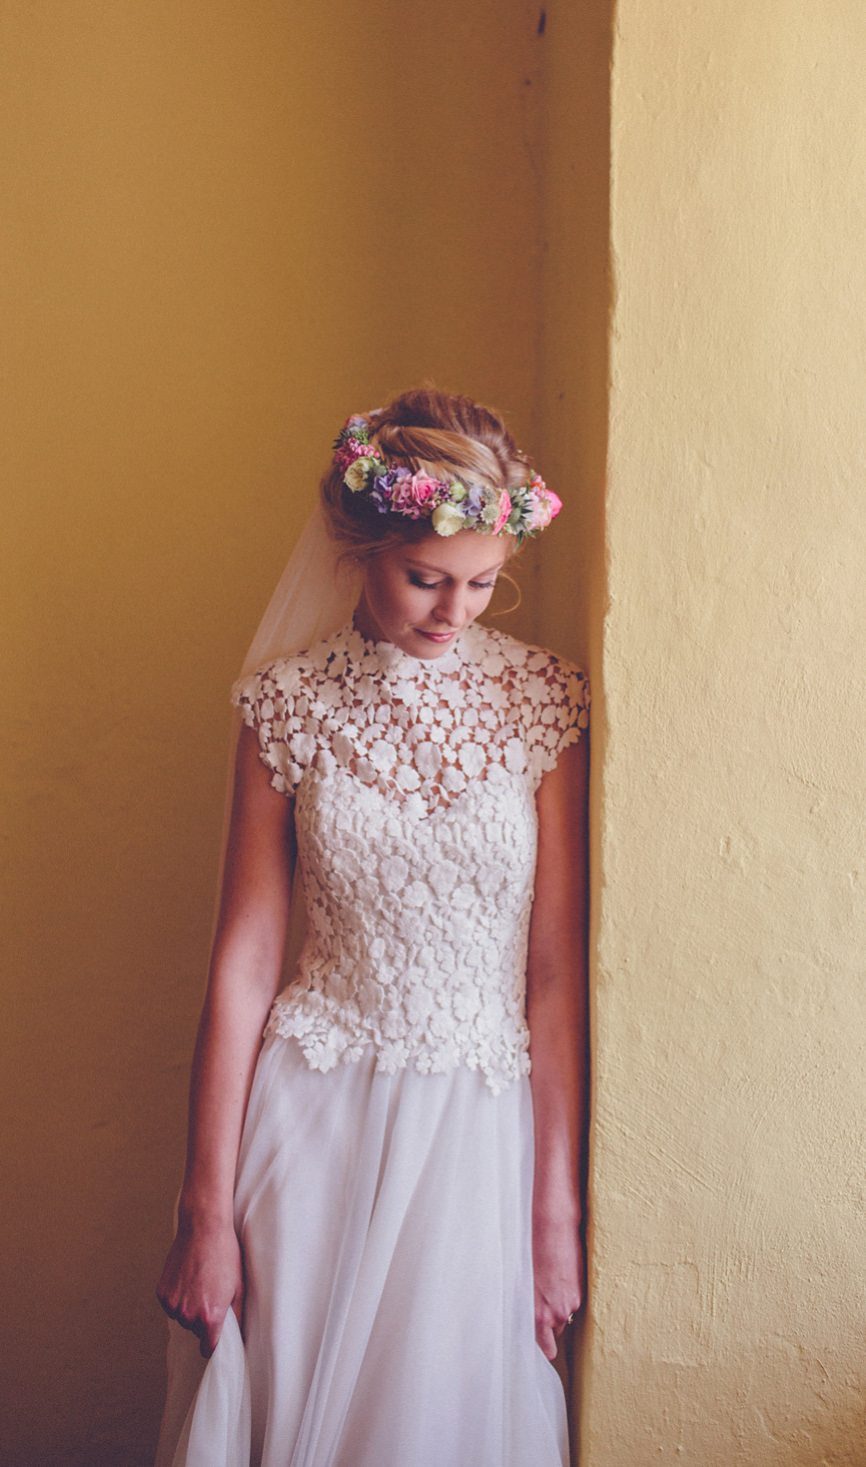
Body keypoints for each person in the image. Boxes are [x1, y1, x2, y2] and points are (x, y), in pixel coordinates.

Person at [154, 388, 590, 1467]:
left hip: (476, 1139)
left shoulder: (544, 701)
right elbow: (246, 963)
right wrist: (206, 1214)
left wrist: (554, 1214)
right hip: (312, 1119)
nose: (455, 612)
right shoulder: (285, 706)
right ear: (362, 547)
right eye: (426, 579)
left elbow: (552, 974)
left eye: (484, 583)